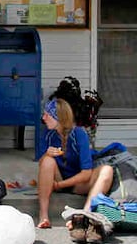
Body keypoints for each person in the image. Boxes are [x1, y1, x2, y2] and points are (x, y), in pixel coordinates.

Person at [36, 98, 113, 229]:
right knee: (47, 160)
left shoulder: (79, 133)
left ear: (59, 117)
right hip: (58, 178)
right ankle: (43, 215)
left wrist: (59, 185)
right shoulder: (47, 134)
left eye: (47, 115)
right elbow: (42, 166)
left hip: (77, 183)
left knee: (107, 170)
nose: (44, 118)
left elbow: (86, 173)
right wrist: (46, 155)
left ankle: (85, 215)